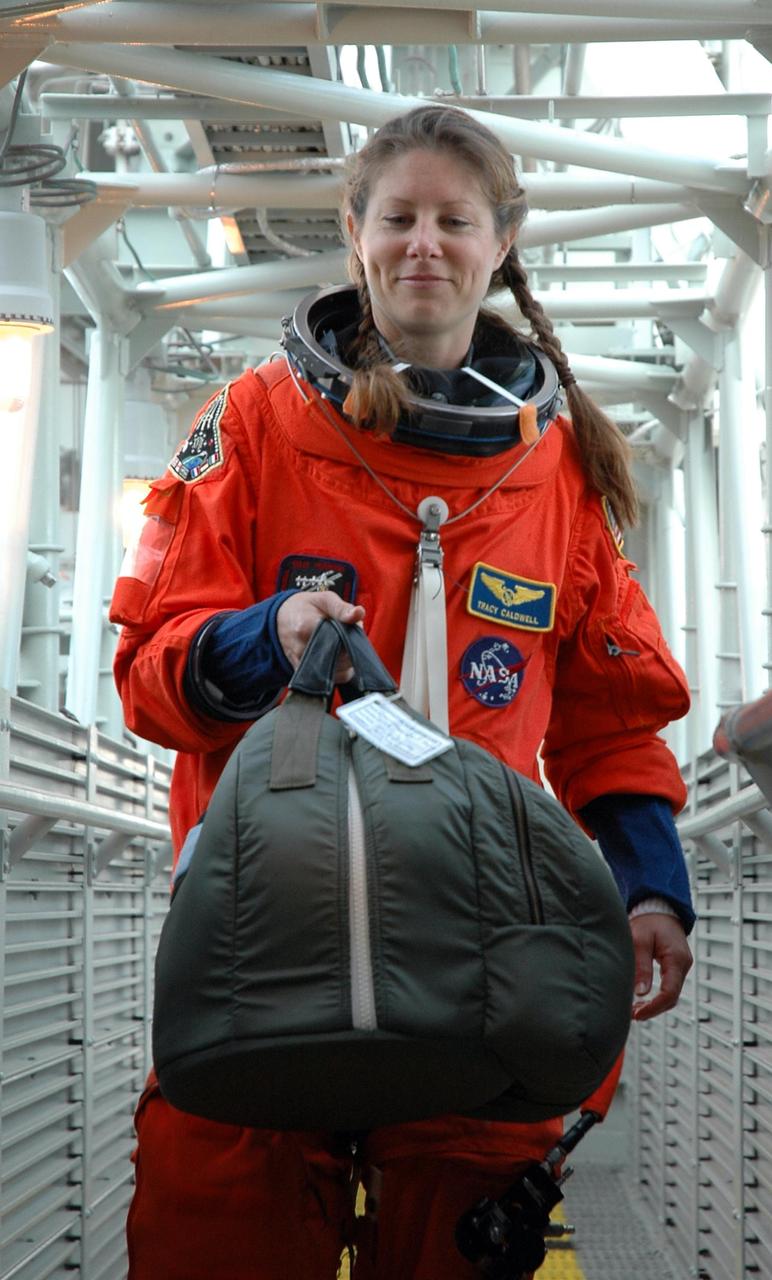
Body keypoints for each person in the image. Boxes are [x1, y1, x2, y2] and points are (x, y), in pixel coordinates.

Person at [110, 104, 695, 1280]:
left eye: (454, 220)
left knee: (461, 1238)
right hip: (267, 928)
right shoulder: (253, 423)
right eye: (399, 217)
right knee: (221, 1221)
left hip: (482, 938)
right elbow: (149, 672)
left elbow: (607, 713)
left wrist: (651, 886)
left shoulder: (559, 467)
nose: (423, 242)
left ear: (500, 242)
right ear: (355, 233)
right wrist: (257, 639)